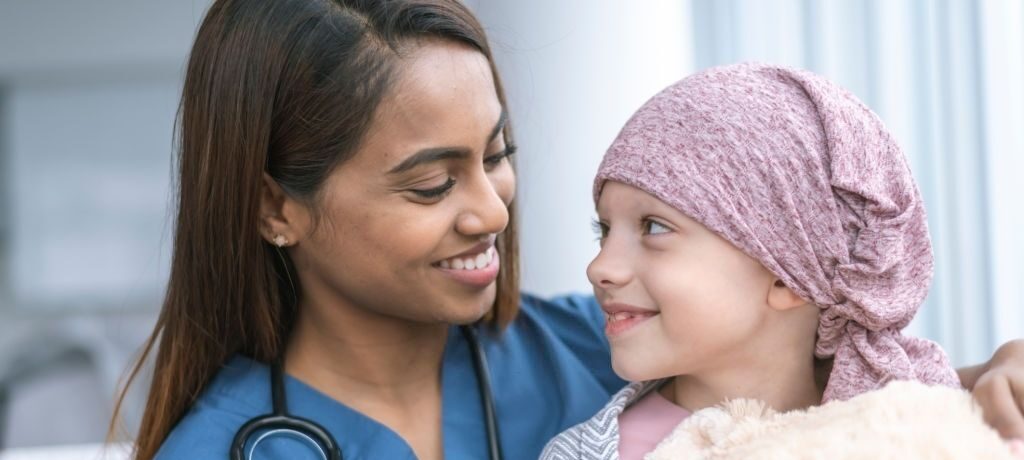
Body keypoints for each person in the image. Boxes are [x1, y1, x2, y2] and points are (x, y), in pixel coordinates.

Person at [109, 2, 1024, 459]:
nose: (491, 210)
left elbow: (831, 385)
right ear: (276, 208)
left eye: (497, 156)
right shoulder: (229, 446)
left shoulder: (600, 346)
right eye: (431, 184)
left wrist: (992, 373)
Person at [540, 63, 1024, 459]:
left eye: (654, 227)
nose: (600, 267)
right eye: (604, 230)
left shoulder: (928, 422)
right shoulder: (585, 454)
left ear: (787, 276)